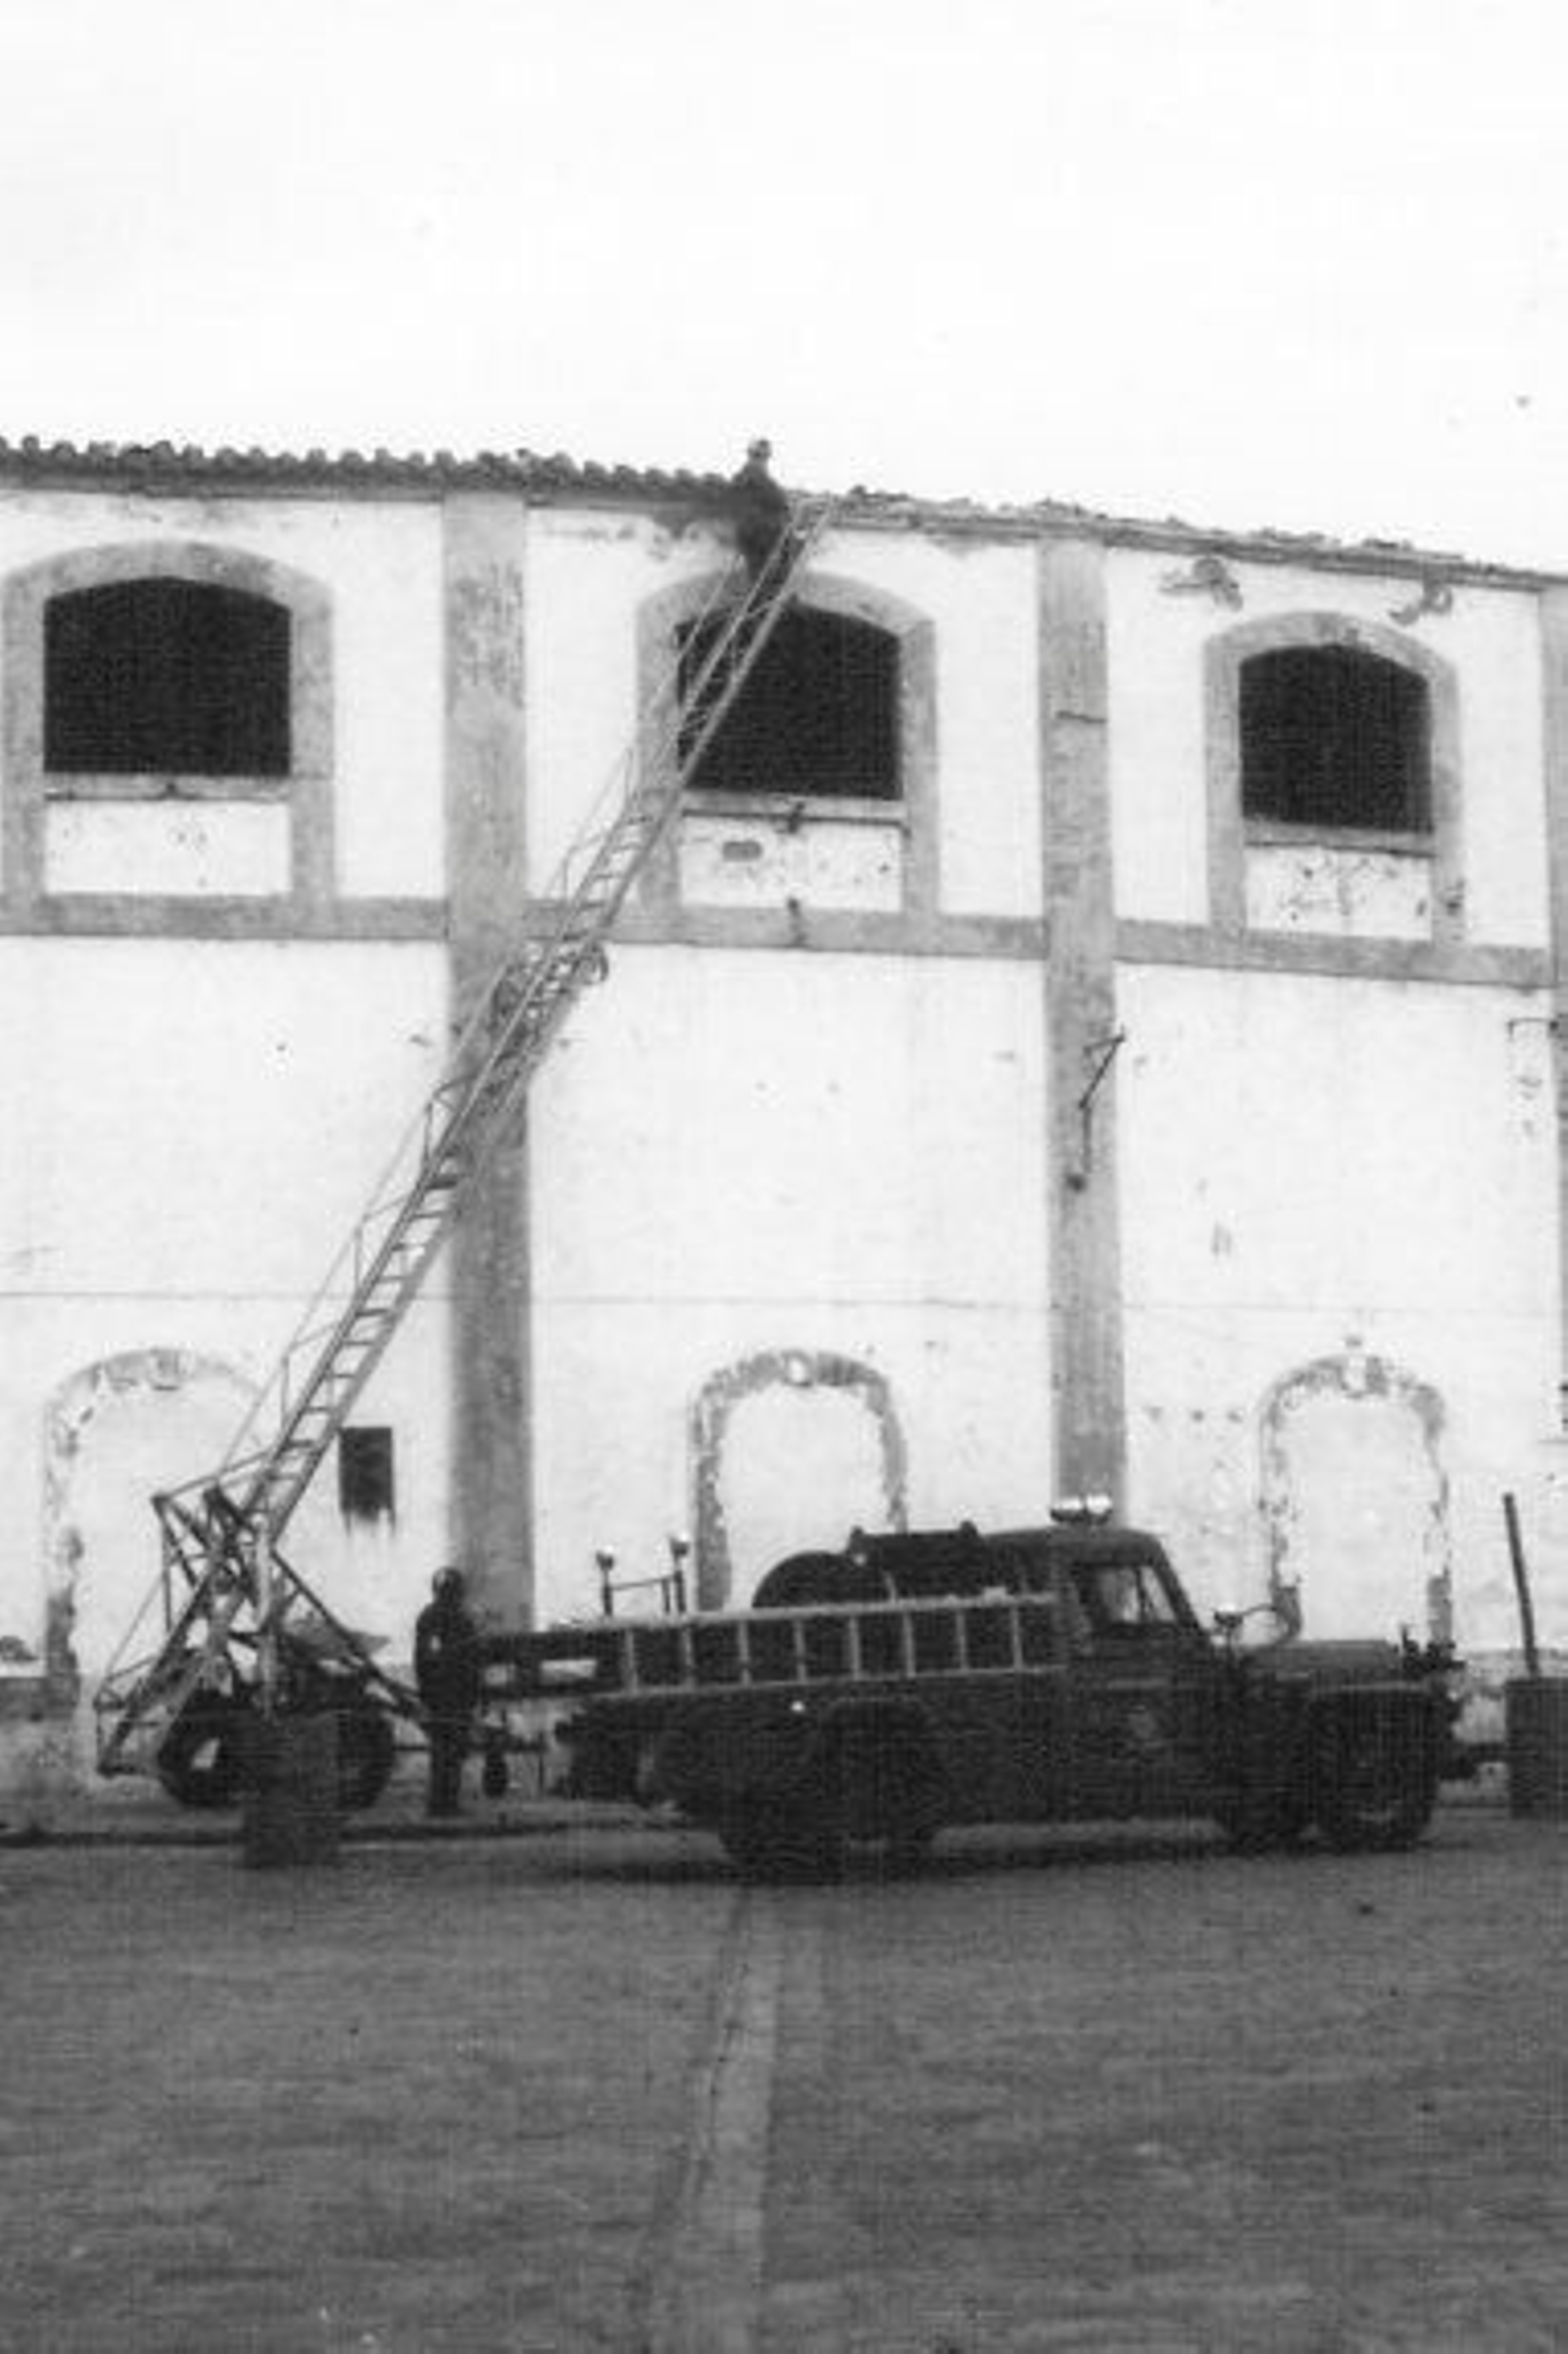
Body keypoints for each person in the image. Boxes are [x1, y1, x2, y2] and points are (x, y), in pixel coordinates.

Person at [414, 1566, 484, 1817]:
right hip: (454, 1693)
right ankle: (445, 1803)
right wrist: (475, 1692)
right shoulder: (461, 1618)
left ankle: (441, 1802)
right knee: (452, 1750)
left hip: (440, 1692)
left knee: (443, 1750)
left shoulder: (429, 1616)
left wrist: (425, 1689)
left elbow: (422, 1658)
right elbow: (472, 1659)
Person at [728, 437, 792, 584]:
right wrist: (786, 513)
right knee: (791, 541)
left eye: (763, 457)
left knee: (755, 568)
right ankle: (779, 583)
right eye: (761, 457)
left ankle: (757, 592)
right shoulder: (760, 477)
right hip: (760, 535)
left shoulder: (738, 478)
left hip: (743, 535)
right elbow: (779, 501)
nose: (763, 462)